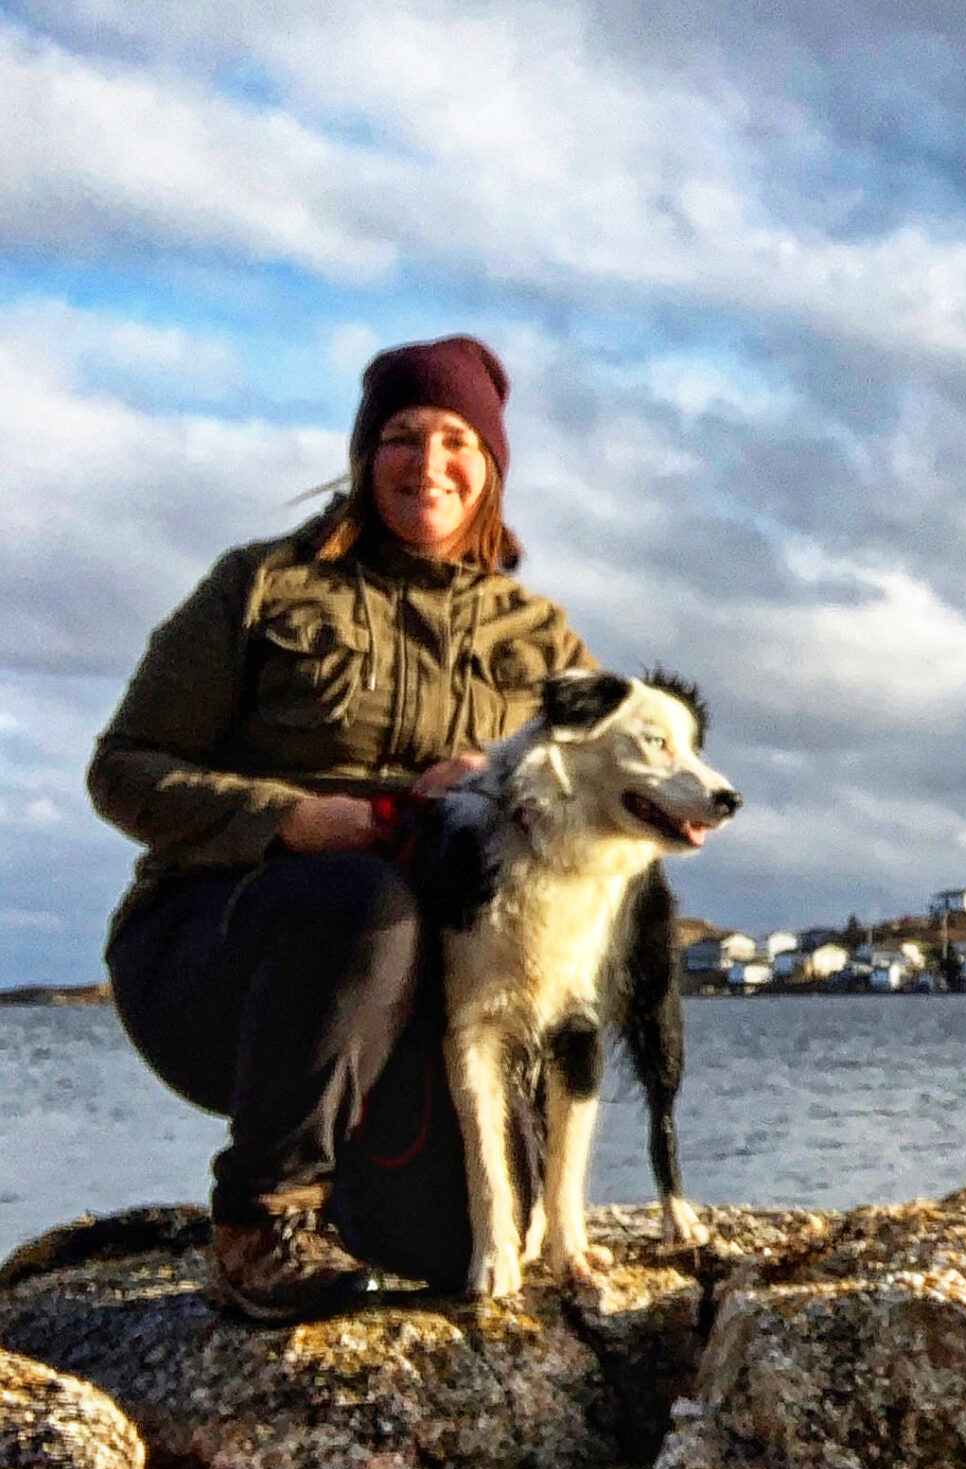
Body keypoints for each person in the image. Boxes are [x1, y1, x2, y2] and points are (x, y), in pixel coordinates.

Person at [88, 337, 596, 1320]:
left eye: (458, 441)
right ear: (365, 456)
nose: (429, 462)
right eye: (403, 436)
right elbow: (122, 769)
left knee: (461, 1247)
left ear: (491, 468)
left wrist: (495, 783)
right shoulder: (262, 585)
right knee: (371, 900)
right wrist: (285, 819)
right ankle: (260, 1223)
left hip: (425, 996)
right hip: (219, 956)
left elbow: (608, 812)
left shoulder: (541, 638)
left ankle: (349, 1197)